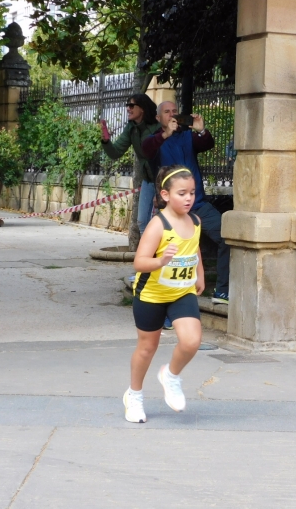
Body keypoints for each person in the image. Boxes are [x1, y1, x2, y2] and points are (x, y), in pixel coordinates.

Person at [124, 165, 205, 423]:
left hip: (182, 292)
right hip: (152, 294)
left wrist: (200, 273)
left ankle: (171, 375)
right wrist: (161, 262)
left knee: (191, 341)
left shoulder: (195, 221)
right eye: (182, 193)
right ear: (166, 194)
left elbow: (194, 249)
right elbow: (139, 262)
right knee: (147, 348)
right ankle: (134, 395)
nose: (189, 198)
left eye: (192, 192)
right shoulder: (158, 225)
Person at [142, 101, 230, 304]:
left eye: (174, 111)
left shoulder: (187, 137)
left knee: (227, 236)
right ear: (158, 118)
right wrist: (165, 135)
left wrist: (201, 130)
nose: (172, 115)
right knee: (166, 254)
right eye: (167, 112)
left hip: (198, 206)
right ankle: (160, 301)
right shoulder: (154, 140)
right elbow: (146, 150)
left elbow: (207, 143)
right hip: (170, 212)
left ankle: (222, 291)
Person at [100, 94, 160, 235]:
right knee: (142, 221)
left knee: (164, 220)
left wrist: (162, 188)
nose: (128, 109)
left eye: (131, 106)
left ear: (143, 108)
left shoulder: (157, 127)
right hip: (149, 180)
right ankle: (148, 253)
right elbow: (115, 153)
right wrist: (106, 141)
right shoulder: (131, 128)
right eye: (127, 105)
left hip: (165, 180)